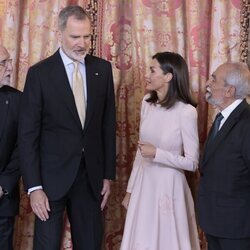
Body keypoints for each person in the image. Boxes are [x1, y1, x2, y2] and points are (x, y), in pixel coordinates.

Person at [18, 5, 116, 250]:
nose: (82, 43)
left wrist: (107, 174)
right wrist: (34, 187)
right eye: (75, 37)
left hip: (90, 179)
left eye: (86, 37)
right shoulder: (39, 74)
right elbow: (28, 134)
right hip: (50, 181)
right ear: (59, 34)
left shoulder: (102, 70)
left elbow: (107, 125)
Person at [120, 52, 200, 250]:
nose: (147, 75)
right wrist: (130, 191)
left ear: (169, 76)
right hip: (144, 186)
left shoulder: (186, 112)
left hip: (169, 188)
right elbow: (141, 152)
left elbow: (192, 162)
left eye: (152, 70)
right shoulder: (147, 103)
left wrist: (158, 154)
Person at [197, 62, 250, 250]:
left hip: (238, 228)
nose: (207, 84)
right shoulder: (222, 118)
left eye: (214, 79)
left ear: (229, 91)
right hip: (217, 224)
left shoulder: (247, 122)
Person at [0, 45, 22, 250]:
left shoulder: (17, 100)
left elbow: (22, 147)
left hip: (2, 202)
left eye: (9, 61)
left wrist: (3, 185)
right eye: (3, 63)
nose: (10, 68)